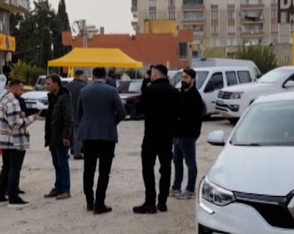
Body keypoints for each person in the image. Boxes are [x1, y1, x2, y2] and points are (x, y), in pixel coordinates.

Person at [77, 67, 127, 214]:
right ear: (105, 76)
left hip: (88, 135)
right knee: (104, 171)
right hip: (107, 135)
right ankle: (100, 203)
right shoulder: (111, 91)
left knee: (89, 169)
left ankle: (89, 202)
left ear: (93, 76)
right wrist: (112, 122)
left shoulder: (84, 91)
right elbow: (122, 112)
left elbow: (79, 114)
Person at [134, 64, 181, 214]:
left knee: (148, 168)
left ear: (154, 74)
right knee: (165, 169)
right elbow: (180, 114)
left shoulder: (149, 90)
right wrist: (175, 134)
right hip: (167, 137)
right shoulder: (174, 92)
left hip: (151, 136)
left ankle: (150, 202)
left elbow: (139, 109)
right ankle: (162, 201)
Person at [0, 79, 39, 209]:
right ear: (14, 87)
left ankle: (0, 196)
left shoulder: (0, 98)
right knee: (15, 169)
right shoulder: (13, 101)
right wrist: (31, 118)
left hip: (4, 138)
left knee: (6, 168)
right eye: (21, 89)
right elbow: (15, 124)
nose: (22, 92)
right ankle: (14, 198)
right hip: (15, 140)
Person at [171, 68, 203, 200]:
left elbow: (195, 119)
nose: (183, 80)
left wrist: (194, 135)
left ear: (192, 80)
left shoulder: (195, 97)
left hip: (188, 136)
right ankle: (176, 187)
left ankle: (190, 189)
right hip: (178, 135)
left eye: (186, 77)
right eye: (182, 77)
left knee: (190, 163)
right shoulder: (181, 94)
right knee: (177, 162)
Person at [43, 75, 74, 200]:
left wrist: (66, 136)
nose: (47, 86)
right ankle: (58, 187)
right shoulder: (53, 98)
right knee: (56, 163)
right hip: (53, 136)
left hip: (61, 137)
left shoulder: (64, 98)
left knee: (63, 163)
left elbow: (68, 118)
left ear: (56, 84)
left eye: (49, 84)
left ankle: (65, 189)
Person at [65, 70, 88, 160]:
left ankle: (69, 150)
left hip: (68, 112)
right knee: (78, 133)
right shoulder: (84, 86)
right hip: (79, 113)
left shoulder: (67, 86)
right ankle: (77, 152)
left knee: (68, 133)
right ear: (80, 76)